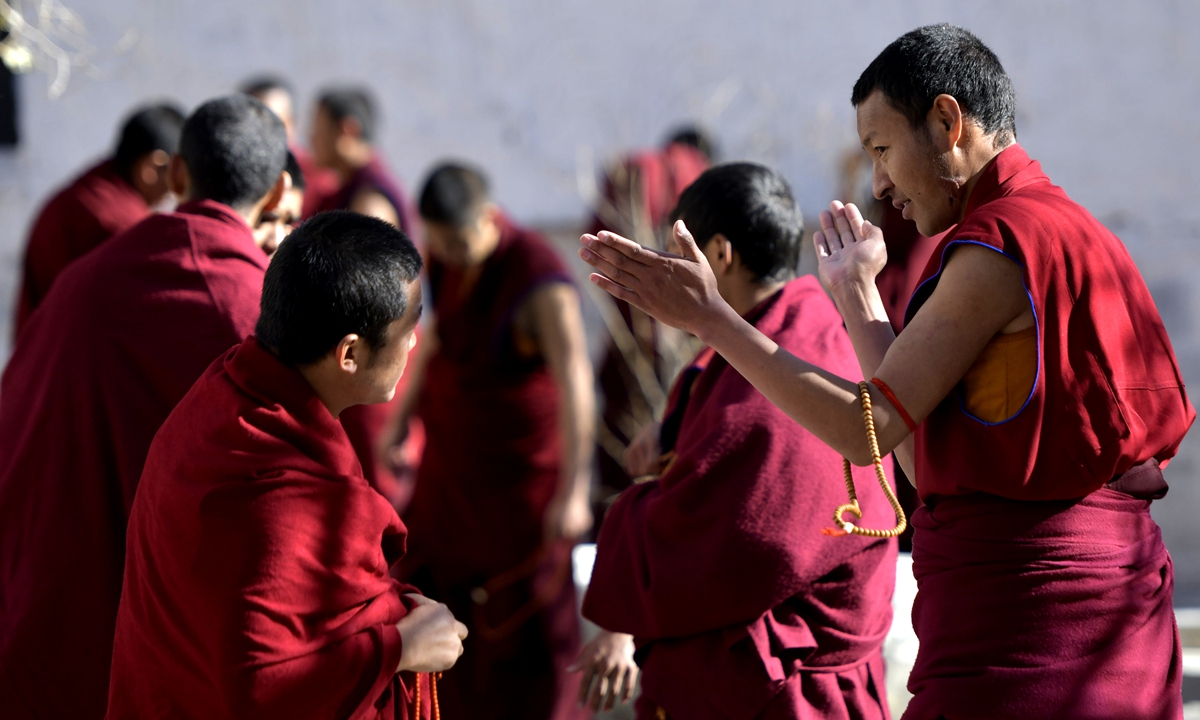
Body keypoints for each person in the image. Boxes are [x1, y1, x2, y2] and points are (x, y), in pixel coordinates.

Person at [577, 24, 1192, 720]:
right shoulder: (1073, 228)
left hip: (1035, 631)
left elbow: (862, 430)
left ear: (946, 122)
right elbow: (915, 459)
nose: (878, 183)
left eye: (881, 150)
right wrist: (858, 294)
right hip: (1102, 618)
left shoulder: (998, 248)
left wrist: (714, 321)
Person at [106, 211, 468, 720]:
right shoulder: (280, 496)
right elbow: (264, 688)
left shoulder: (221, 391)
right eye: (408, 326)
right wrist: (401, 648)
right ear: (350, 354)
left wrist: (397, 613)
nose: (415, 341)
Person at [0, 94, 291, 720]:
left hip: (51, 594)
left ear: (179, 177)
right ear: (278, 194)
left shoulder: (89, 274)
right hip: (163, 632)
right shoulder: (252, 309)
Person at [573, 163, 896, 720]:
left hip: (787, 690)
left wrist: (629, 523)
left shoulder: (783, 369)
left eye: (677, 253)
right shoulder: (793, 325)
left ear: (718, 254)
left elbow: (730, 536)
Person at [393, 162, 594, 720]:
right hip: (454, 478)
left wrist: (576, 490)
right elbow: (435, 341)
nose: (451, 254)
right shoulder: (442, 258)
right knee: (444, 609)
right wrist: (400, 418)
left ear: (488, 217)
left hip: (520, 490)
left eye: (459, 240)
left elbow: (576, 381)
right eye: (439, 242)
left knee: (528, 638)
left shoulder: (538, 278)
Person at [13, 102, 185, 336]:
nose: (176, 190)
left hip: (37, 356)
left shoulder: (90, 190)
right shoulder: (118, 223)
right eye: (177, 173)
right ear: (152, 168)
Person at [310, 85, 414, 232]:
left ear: (348, 130)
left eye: (318, 129)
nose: (312, 139)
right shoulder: (352, 184)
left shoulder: (370, 203)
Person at [241, 74, 340, 217]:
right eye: (252, 124)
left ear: (291, 123)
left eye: (272, 123)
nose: (260, 133)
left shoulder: (321, 182)